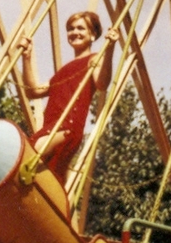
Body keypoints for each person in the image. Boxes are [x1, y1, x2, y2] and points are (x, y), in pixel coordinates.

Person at [18, 11, 117, 183]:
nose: (74, 32)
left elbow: (102, 84)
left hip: (67, 126)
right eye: (70, 29)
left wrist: (109, 49)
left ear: (93, 35)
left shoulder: (94, 59)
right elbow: (32, 92)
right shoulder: (63, 71)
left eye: (81, 28)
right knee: (49, 178)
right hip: (52, 125)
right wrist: (26, 58)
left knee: (31, 152)